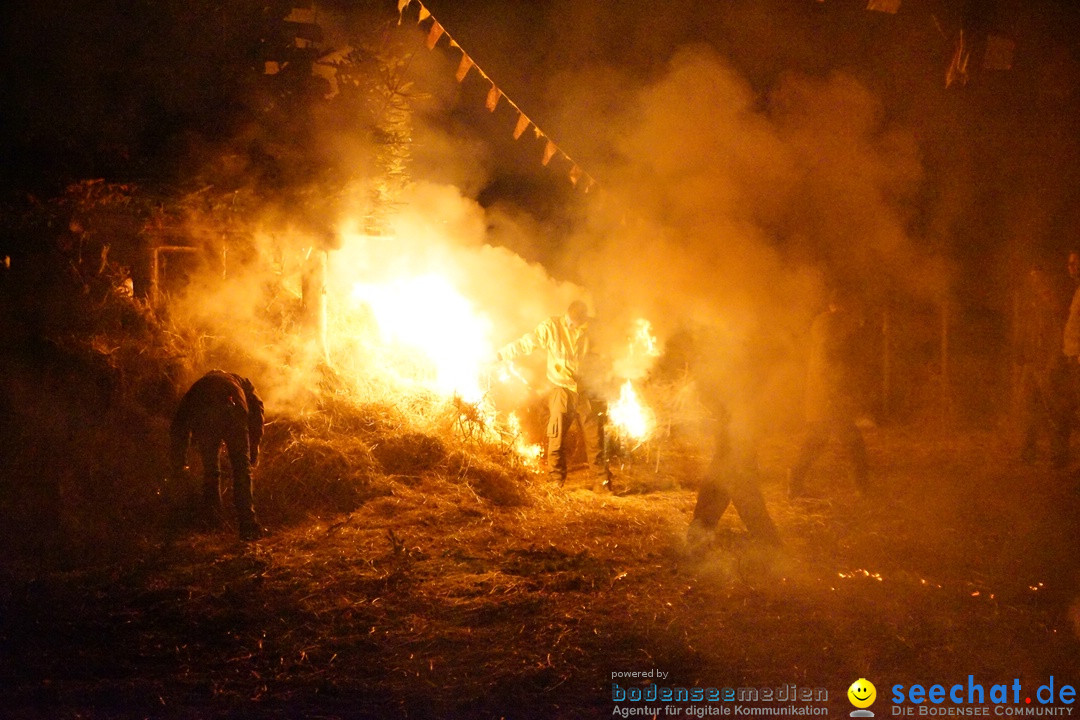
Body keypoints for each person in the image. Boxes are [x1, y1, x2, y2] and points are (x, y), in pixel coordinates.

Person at [496, 300, 613, 490]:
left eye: (582, 322)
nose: (579, 326)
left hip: (585, 391)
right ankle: (555, 483)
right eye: (575, 322)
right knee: (556, 437)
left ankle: (602, 484)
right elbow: (527, 343)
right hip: (561, 390)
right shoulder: (552, 327)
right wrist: (501, 354)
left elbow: (605, 355)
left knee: (595, 439)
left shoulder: (591, 328)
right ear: (569, 316)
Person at [788, 287, 871, 499]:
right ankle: (863, 489)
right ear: (840, 305)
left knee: (816, 442)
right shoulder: (832, 325)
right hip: (830, 397)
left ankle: (795, 483)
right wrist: (835, 390)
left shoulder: (825, 324)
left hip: (823, 396)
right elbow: (831, 359)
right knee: (853, 443)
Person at [170, 370, 266, 540]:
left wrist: (180, 462)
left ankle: (213, 523)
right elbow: (257, 414)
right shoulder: (242, 384)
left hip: (204, 413)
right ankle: (248, 525)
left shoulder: (198, 387)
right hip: (234, 410)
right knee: (241, 468)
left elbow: (179, 424)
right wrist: (254, 449)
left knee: (211, 470)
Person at [1015, 262, 1067, 465]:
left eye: (1038, 276)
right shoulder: (1031, 303)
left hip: (1046, 362)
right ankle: (1028, 452)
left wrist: (1054, 360)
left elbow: (1057, 332)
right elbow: (1026, 330)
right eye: (1032, 277)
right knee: (1027, 406)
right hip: (1031, 361)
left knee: (1052, 409)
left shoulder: (1051, 301)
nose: (1034, 281)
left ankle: (1059, 454)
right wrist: (1021, 353)